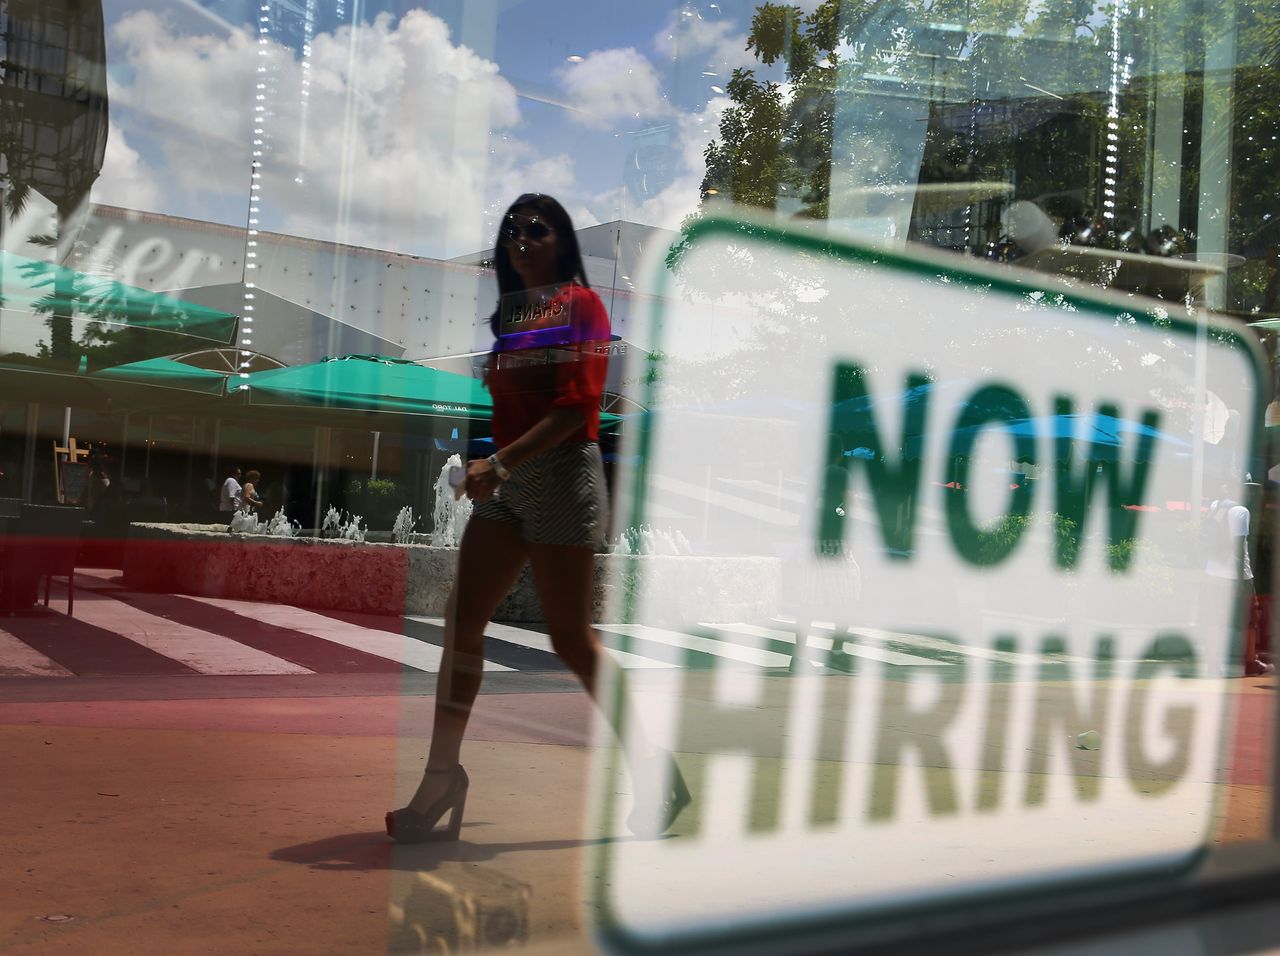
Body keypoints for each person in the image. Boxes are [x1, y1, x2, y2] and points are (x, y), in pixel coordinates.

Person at [386, 193, 690, 843]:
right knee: (462, 625)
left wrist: (498, 465)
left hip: (558, 478)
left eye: (537, 229)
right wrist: (495, 464)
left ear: (562, 243)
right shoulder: (512, 317)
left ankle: (653, 769)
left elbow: (576, 405)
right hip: (508, 482)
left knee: (571, 640)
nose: (522, 237)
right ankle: (441, 775)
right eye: (512, 230)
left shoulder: (582, 306)